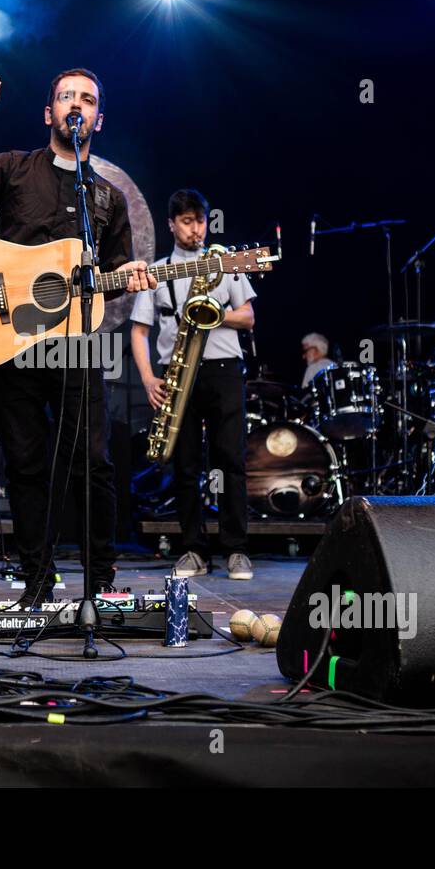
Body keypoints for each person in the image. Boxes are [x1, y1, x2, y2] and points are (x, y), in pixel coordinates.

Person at [0, 69, 156, 609]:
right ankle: (37, 582)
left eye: (89, 99)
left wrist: (133, 276)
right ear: (49, 112)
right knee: (26, 464)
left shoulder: (108, 199)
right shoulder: (13, 168)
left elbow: (115, 280)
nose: (77, 104)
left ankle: (100, 583)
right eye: (66, 96)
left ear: (99, 118)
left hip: (78, 342)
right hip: (13, 340)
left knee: (94, 463)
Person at [130, 189, 256, 581]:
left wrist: (212, 314)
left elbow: (248, 317)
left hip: (222, 369)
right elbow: (139, 331)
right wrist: (149, 378)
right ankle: (192, 549)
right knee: (184, 466)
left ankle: (236, 550)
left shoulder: (224, 262)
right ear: (171, 224)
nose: (195, 229)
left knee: (230, 461)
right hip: (176, 373)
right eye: (186, 221)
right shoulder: (157, 270)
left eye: (199, 220)